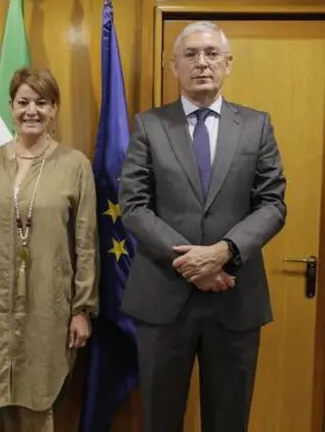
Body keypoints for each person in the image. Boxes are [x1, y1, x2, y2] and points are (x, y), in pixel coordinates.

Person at [119, 21, 287, 432]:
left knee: (229, 420)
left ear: (228, 63)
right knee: (160, 420)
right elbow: (134, 205)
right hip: (163, 298)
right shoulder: (149, 126)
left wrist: (223, 252)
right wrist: (192, 262)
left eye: (212, 53)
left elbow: (273, 204)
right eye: (190, 54)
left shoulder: (257, 126)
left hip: (235, 297)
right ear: (173, 65)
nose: (202, 63)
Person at [0, 67, 99, 432]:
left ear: (54, 109)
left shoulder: (75, 166)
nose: (31, 111)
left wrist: (82, 309)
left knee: (39, 400)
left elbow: (86, 244)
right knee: (2, 397)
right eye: (23, 102)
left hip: (49, 303)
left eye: (41, 102)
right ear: (11, 107)